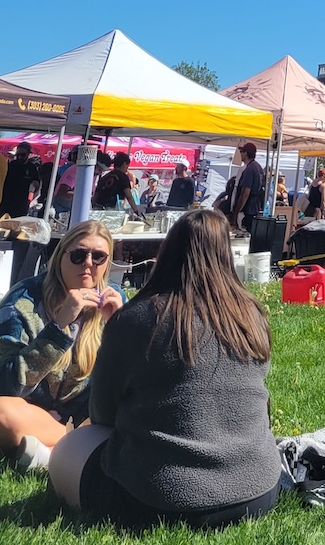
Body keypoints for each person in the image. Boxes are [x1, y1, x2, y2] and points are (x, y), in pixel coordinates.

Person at [48, 210, 281, 529]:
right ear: (227, 254)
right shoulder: (252, 316)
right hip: (259, 492)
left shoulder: (137, 318)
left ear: (166, 251)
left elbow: (102, 414)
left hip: (158, 499)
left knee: (70, 447)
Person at [0, 220, 124, 471]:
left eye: (98, 257)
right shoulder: (24, 300)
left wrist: (120, 329)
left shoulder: (115, 300)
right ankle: (79, 451)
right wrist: (59, 327)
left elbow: (129, 385)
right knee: (0, 413)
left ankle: (49, 456)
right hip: (11, 413)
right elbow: (5, 384)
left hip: (79, 421)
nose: (88, 263)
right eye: (79, 255)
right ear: (60, 257)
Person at [0, 142, 40, 219]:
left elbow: (36, 184)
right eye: (18, 155)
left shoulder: (31, 168)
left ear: (28, 154)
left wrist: (36, 184)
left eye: (22, 155)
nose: (20, 157)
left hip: (21, 205)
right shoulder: (11, 166)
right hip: (6, 203)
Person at [230, 143, 265, 232]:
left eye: (242, 151)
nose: (240, 154)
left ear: (246, 153)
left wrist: (236, 213)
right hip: (256, 208)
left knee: (244, 237)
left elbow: (245, 193)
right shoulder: (258, 167)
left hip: (248, 210)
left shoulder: (249, 169)